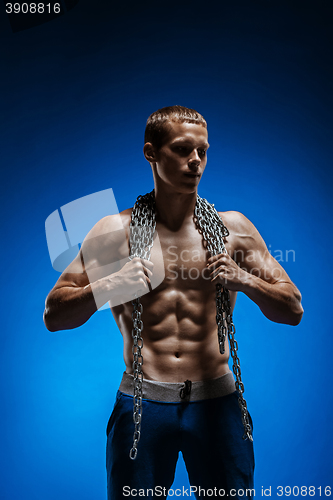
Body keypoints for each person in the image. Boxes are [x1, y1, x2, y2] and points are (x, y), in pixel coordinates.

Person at [44, 105, 303, 499]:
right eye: (183, 150)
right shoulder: (115, 232)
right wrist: (112, 284)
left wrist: (244, 279)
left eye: (202, 151)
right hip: (142, 402)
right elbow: (54, 314)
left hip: (217, 401)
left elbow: (293, 308)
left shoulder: (233, 229)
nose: (195, 161)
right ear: (151, 152)